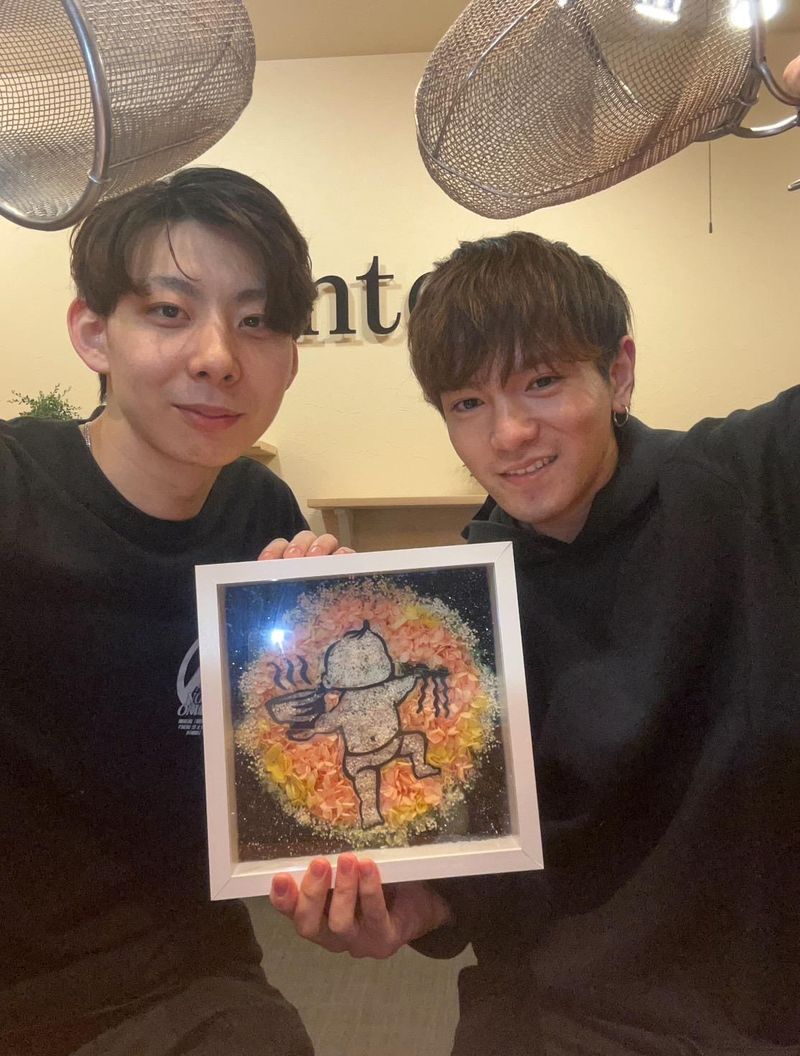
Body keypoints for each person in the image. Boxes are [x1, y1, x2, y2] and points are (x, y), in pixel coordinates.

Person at [270, 229, 799, 1055]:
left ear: (619, 372)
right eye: (467, 403)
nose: (509, 433)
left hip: (761, 1010)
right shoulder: (458, 615)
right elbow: (492, 851)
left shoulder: (749, 479)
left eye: (542, 382)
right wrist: (421, 905)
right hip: (552, 1015)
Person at [0, 167, 347, 1055]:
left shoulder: (262, 516)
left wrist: (339, 643)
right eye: (168, 310)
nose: (218, 356)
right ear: (94, 334)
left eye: (256, 321)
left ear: (291, 360)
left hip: (185, 972)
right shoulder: (14, 488)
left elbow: (289, 761)